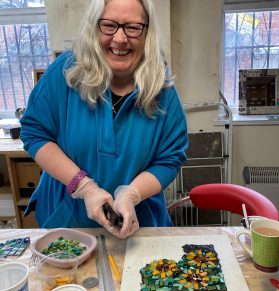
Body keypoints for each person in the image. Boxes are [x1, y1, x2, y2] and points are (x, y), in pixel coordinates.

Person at [20, 0, 188, 239]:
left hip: (139, 226)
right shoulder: (64, 72)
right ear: (94, 27)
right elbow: (35, 133)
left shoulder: (163, 91)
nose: (120, 39)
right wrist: (85, 187)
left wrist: (131, 194)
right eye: (109, 25)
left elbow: (170, 159)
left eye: (132, 27)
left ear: (147, 32)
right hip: (67, 224)